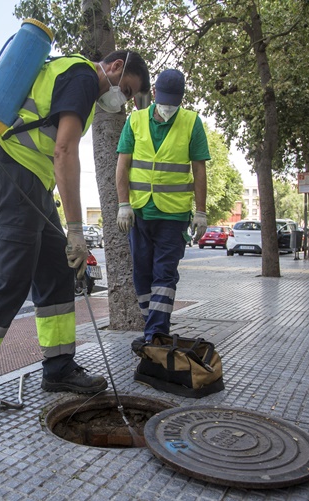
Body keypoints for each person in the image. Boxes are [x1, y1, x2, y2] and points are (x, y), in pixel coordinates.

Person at [0, 50, 151, 427]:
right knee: (11, 280)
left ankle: (58, 367)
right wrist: (75, 227)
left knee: (55, 271)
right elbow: (64, 149)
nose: (124, 102)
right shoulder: (85, 78)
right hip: (14, 173)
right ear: (116, 68)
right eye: (129, 90)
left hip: (32, 182)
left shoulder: (73, 75)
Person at [115, 69, 209, 342]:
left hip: (174, 215)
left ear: (181, 99)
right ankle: (152, 329)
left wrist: (201, 212)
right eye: (164, 100)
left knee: (164, 276)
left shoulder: (192, 122)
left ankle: (156, 335)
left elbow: (199, 170)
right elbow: (123, 165)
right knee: (142, 277)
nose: (168, 107)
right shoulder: (136, 120)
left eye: (174, 102)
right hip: (140, 213)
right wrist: (124, 204)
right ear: (154, 94)